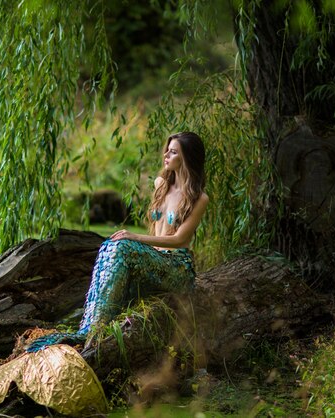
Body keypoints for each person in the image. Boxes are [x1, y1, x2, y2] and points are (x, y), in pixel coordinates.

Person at [27, 131, 209, 352]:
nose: (166, 155)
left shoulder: (198, 198)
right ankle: (90, 328)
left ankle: (94, 327)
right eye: (167, 150)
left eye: (173, 152)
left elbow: (180, 239)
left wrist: (135, 237)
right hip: (155, 260)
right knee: (109, 246)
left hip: (177, 268)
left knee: (123, 245)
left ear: (188, 158)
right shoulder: (160, 184)